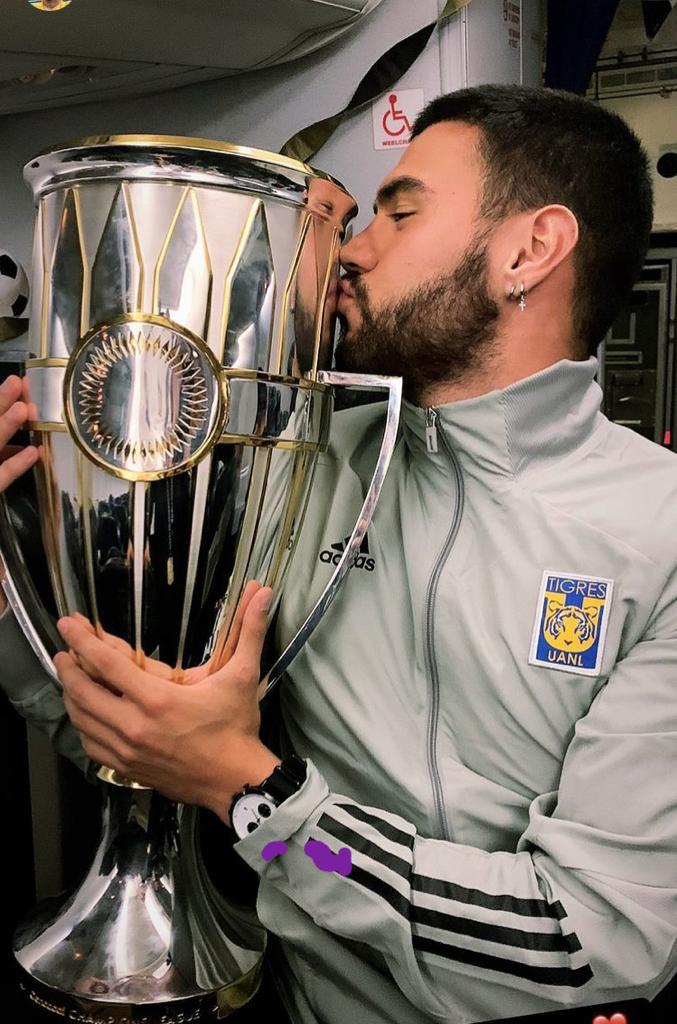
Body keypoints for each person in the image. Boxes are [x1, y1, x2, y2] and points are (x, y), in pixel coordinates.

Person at [1, 84, 676, 1024]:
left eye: (401, 212)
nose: (354, 249)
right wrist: (13, 567)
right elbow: (152, 742)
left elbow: (595, 941)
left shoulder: (657, 536)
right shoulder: (312, 459)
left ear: (530, 250)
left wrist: (258, 800)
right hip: (272, 996)